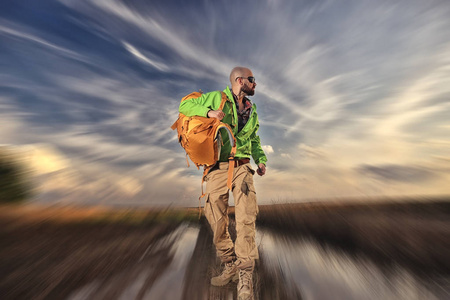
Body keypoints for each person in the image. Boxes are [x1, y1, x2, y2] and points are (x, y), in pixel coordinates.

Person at [179, 66, 267, 299]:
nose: (255, 83)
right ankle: (230, 264)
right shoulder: (218, 97)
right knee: (215, 217)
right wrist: (209, 113)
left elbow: (255, 138)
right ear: (240, 80)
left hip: (242, 166)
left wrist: (261, 160)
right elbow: (184, 106)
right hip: (217, 167)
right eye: (252, 79)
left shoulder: (252, 109)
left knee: (246, 215)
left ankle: (245, 275)